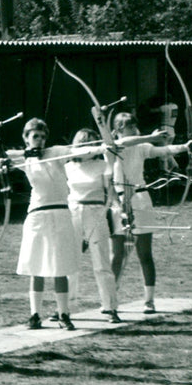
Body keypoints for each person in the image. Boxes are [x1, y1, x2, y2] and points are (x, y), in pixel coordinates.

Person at [2, 118, 108, 331]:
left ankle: (64, 313)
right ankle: (34, 315)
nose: (40, 141)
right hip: (36, 216)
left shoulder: (56, 152)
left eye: (42, 137)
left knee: (61, 267)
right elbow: (2, 158)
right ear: (26, 138)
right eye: (35, 137)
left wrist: (103, 146)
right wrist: (14, 154)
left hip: (60, 214)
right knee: (36, 268)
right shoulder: (25, 158)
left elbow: (78, 151)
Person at [109, 112, 192, 314]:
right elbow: (126, 142)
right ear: (119, 129)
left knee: (144, 254)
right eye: (129, 125)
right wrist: (151, 137)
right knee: (117, 255)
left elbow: (163, 150)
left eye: (135, 124)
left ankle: (149, 300)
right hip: (118, 202)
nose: (134, 127)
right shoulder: (112, 146)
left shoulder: (142, 147)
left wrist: (185, 147)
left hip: (140, 199)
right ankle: (111, 298)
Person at [63, 128, 122, 323]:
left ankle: (110, 307)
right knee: (71, 262)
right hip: (73, 212)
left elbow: (111, 187)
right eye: (84, 143)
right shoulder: (69, 166)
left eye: (92, 142)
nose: (88, 147)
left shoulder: (102, 164)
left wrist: (109, 154)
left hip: (96, 212)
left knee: (101, 262)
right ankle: (66, 308)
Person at [150, 95, 180, 172]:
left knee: (163, 151)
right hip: (172, 128)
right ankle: (175, 166)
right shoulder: (175, 106)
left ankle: (164, 169)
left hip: (164, 128)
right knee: (168, 150)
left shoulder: (164, 107)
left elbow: (151, 111)